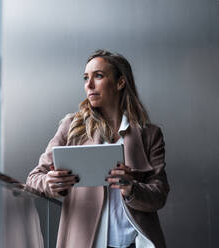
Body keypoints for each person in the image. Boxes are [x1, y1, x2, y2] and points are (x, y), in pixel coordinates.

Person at [26, 49, 169, 248]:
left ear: (120, 83)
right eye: (86, 78)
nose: (89, 85)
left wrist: (131, 188)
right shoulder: (72, 127)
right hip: (85, 242)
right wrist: (50, 183)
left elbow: (159, 194)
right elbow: (33, 179)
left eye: (98, 76)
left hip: (136, 243)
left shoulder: (150, 135)